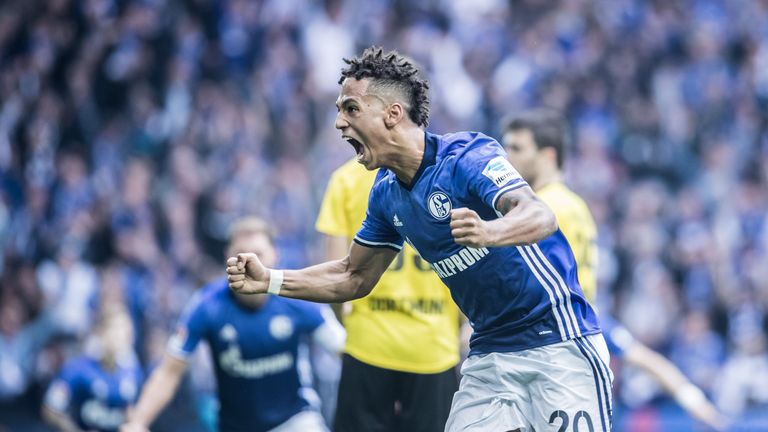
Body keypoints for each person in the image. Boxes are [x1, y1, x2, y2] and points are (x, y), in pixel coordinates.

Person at [227, 46, 611, 432]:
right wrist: (271, 280)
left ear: (392, 114)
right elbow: (352, 275)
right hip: (491, 353)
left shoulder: (467, 156)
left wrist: (488, 231)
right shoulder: (385, 194)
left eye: (351, 109)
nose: (340, 123)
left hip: (558, 342)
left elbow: (539, 214)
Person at [501, 109, 726, 431]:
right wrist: (692, 397)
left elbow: (524, 280)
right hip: (579, 327)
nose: (507, 158)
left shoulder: (544, 209)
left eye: (517, 148)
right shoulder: (577, 207)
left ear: (548, 155)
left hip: (549, 343)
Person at [121, 217, 346, 432]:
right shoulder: (206, 305)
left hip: (295, 421)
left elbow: (345, 350)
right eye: (240, 255)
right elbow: (169, 371)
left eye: (258, 254)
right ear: (227, 258)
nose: (249, 263)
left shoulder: (298, 299)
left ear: (275, 255)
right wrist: (138, 422)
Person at [316, 157, 461, 432]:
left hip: (368, 344)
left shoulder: (345, 180)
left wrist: (346, 321)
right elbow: (465, 262)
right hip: (433, 346)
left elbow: (337, 282)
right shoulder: (449, 173)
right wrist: (461, 324)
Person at [42, 307, 142, 432]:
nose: (122, 337)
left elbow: (131, 411)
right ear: (101, 332)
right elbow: (51, 409)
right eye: (116, 330)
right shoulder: (77, 368)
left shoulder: (132, 371)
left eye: (127, 332)